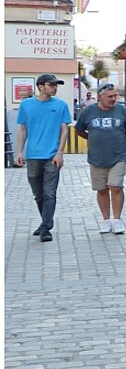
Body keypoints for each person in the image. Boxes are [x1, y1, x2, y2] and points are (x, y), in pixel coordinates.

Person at [14, 73, 71, 242]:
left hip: (52, 155)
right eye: (51, 85)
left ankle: (46, 228)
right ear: (41, 87)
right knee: (38, 194)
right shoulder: (26, 104)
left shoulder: (61, 105)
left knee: (49, 194)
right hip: (33, 155)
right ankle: (47, 221)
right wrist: (19, 152)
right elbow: (23, 130)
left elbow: (64, 130)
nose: (55, 88)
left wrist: (60, 152)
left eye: (56, 85)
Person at [75, 83, 126, 235]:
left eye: (115, 96)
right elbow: (79, 129)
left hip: (118, 156)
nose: (114, 99)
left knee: (116, 186)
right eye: (110, 96)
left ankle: (117, 220)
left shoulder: (122, 111)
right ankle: (106, 220)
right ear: (100, 96)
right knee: (101, 189)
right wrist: (93, 138)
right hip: (96, 157)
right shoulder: (89, 111)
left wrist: (116, 138)